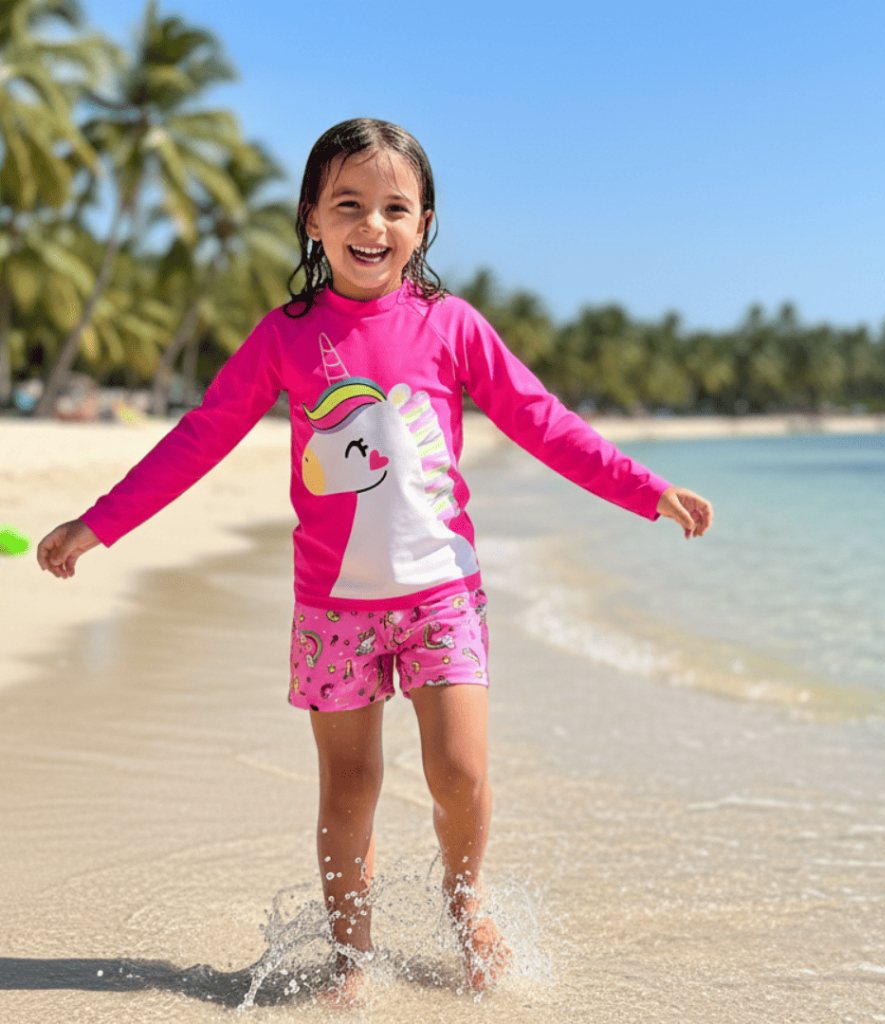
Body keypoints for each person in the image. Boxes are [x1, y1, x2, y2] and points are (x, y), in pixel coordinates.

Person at [37, 118, 713, 1004]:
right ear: (312, 220)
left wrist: (643, 488)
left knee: (459, 772)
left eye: (395, 207)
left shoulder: (451, 324)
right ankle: (351, 958)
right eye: (348, 204)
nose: (372, 224)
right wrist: (100, 523)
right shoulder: (286, 335)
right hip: (334, 606)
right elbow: (201, 438)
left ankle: (463, 902)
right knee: (350, 785)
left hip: (443, 594)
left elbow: (541, 420)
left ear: (423, 224)